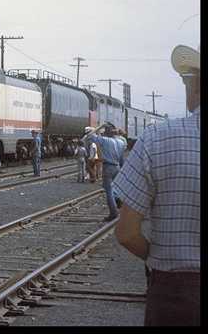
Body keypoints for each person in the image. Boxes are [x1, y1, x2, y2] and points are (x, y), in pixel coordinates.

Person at [113, 43, 200, 326]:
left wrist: (164, 257)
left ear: (195, 86)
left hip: (174, 293)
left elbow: (126, 233)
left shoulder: (157, 139)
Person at [82, 122, 126, 221]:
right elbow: (122, 158)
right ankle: (119, 202)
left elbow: (89, 136)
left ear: (106, 132)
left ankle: (113, 213)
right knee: (117, 188)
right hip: (117, 167)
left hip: (108, 167)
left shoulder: (104, 140)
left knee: (109, 190)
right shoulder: (121, 142)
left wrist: (100, 126)